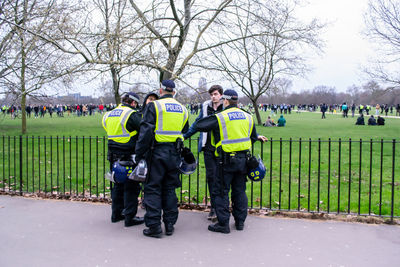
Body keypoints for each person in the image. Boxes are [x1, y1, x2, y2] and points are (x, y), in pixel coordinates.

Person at [193, 89, 268, 234]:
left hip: (225, 161)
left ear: (225, 100)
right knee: (239, 191)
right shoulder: (248, 116)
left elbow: (199, 125)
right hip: (243, 161)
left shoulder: (221, 117)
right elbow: (253, 137)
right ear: (237, 101)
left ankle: (223, 224)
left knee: (221, 192)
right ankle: (240, 222)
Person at [135, 80, 189, 238]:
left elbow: (146, 132)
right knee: (169, 189)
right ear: (173, 91)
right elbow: (184, 129)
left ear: (160, 90)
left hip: (157, 152)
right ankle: (170, 224)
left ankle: (154, 227)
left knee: (152, 188)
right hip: (174, 153)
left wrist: (138, 154)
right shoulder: (183, 109)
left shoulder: (154, 106)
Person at [102, 92, 144, 227]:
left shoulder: (108, 114)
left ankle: (116, 214)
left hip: (113, 155)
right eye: (136, 104)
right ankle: (130, 217)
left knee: (117, 185)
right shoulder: (131, 114)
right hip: (128, 155)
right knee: (131, 187)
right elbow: (143, 128)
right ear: (133, 102)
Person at [183, 85, 224, 221]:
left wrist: (256, 135)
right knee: (211, 177)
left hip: (223, 148)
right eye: (211, 94)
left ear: (221, 95)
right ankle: (213, 207)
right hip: (208, 148)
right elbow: (197, 123)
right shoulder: (206, 106)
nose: (213, 96)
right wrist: (185, 136)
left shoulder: (226, 106)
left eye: (216, 94)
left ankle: (221, 207)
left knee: (222, 178)